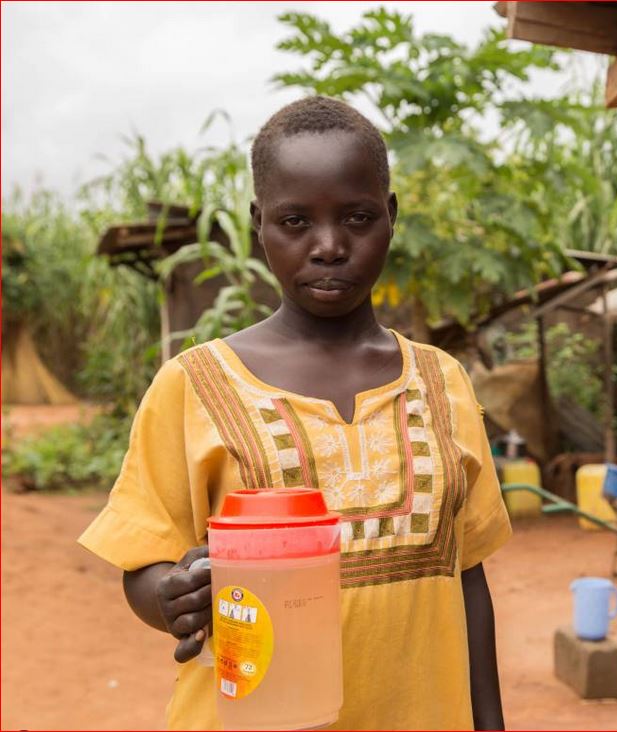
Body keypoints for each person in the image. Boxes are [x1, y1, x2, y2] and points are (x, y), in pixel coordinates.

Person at [78, 96, 511, 730]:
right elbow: (145, 566)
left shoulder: (442, 384)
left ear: (390, 216)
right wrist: (170, 596)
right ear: (260, 224)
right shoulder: (194, 385)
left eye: (357, 217)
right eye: (295, 221)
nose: (329, 246)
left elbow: (467, 575)